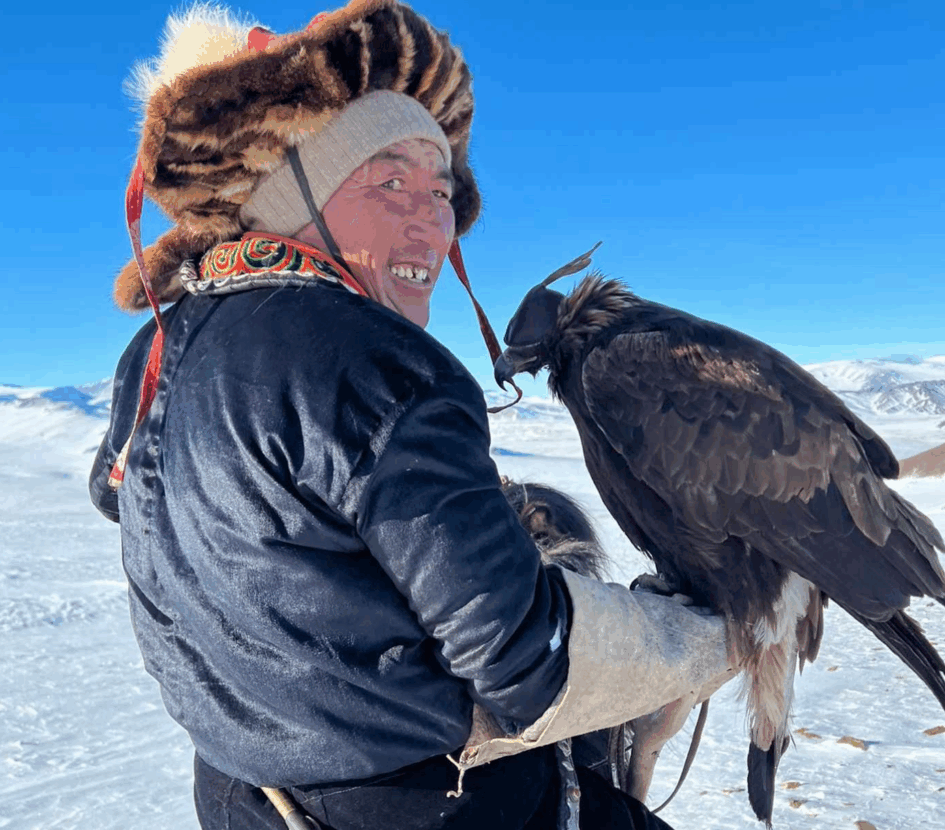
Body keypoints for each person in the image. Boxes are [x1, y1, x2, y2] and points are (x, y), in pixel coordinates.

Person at [89, 2, 737, 828]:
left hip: (240, 796)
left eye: (441, 190)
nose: (432, 220)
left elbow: (128, 499)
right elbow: (525, 661)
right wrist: (703, 639)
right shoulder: (369, 356)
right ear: (297, 198)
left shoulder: (153, 347)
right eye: (389, 181)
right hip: (427, 806)